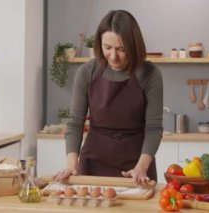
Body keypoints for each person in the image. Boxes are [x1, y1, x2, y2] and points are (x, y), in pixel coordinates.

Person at [53, 10, 163, 185]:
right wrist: (71, 165)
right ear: (99, 44)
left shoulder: (150, 74)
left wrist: (141, 167)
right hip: (93, 163)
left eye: (121, 49)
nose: (113, 56)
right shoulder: (87, 72)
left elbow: (154, 129)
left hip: (136, 167)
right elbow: (75, 123)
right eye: (107, 48)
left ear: (134, 45)